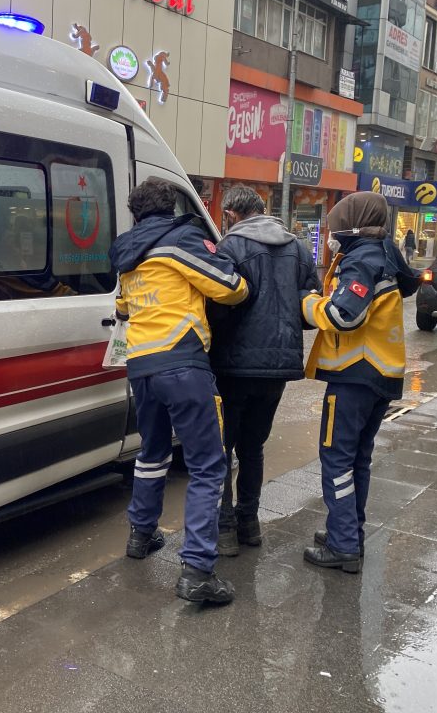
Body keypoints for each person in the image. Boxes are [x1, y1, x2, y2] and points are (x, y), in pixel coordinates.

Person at [109, 178, 249, 603]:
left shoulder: (128, 253)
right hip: (183, 362)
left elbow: (122, 307)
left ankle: (141, 535)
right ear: (171, 207)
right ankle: (197, 570)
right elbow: (231, 288)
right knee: (208, 465)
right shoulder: (181, 240)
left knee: (152, 453)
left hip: (141, 366)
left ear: (136, 213)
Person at [300, 192, 420, 573]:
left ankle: (343, 545)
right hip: (382, 375)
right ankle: (349, 532)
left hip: (354, 376)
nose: (331, 234)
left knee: (336, 459)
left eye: (335, 226)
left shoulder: (362, 259)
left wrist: (307, 303)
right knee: (357, 460)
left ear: (352, 225)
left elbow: (343, 316)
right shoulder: (384, 252)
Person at [207, 187, 320, 556]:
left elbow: (218, 307)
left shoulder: (230, 247)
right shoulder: (298, 249)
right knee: (252, 447)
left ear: (232, 215)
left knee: (222, 449)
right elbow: (309, 310)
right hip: (278, 368)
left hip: (232, 366)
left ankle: (225, 530)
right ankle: (249, 524)